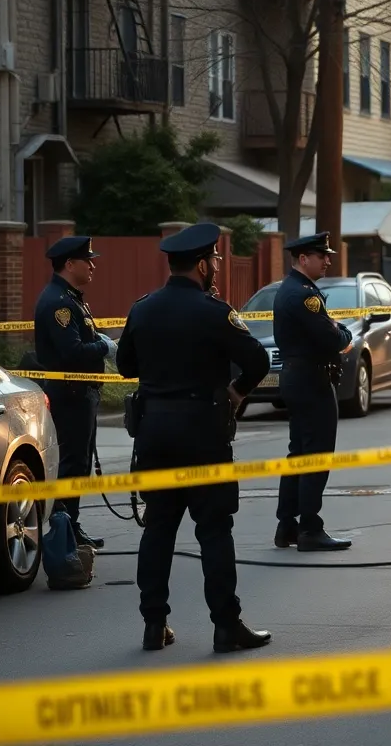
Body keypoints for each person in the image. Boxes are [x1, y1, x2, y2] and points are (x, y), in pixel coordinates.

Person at [116, 222, 273, 654]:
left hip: (155, 434)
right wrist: (237, 392)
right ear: (202, 265)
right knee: (215, 531)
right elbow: (257, 359)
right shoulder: (214, 312)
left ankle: (154, 625)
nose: (217, 267)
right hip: (203, 435)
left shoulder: (142, 308)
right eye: (215, 261)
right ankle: (226, 626)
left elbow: (125, 366)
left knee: (159, 530)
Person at [272, 232, 354, 552]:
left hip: (298, 378)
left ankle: (287, 525)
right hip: (311, 381)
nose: (328, 261)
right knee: (316, 455)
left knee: (299, 453)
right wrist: (342, 330)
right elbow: (335, 339)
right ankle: (309, 528)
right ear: (303, 259)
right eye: (322, 256)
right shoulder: (304, 295)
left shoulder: (291, 289)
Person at [33, 235, 115, 549]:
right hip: (71, 395)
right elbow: (72, 352)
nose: (93, 265)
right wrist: (104, 346)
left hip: (80, 393)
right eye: (88, 260)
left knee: (78, 464)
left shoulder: (70, 297)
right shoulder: (59, 303)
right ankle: (64, 532)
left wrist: (100, 342)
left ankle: (71, 528)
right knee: (71, 464)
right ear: (70, 264)